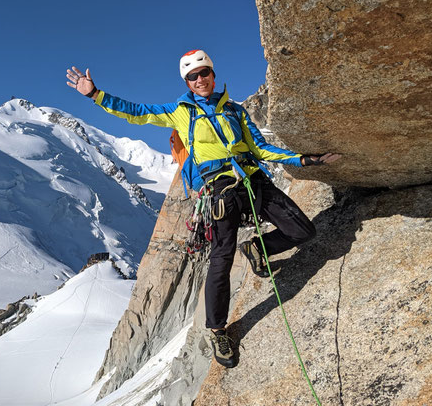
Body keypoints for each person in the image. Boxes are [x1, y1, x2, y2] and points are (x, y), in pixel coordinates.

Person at [65, 49, 341, 368]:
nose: (200, 80)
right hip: (219, 187)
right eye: (193, 76)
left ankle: (257, 248)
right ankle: (218, 330)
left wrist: (302, 160)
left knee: (303, 231)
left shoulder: (235, 112)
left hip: (252, 178)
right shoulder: (180, 111)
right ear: (187, 81)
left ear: (213, 73)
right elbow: (136, 112)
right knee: (221, 257)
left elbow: (260, 148)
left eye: (204, 73)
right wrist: (96, 94)